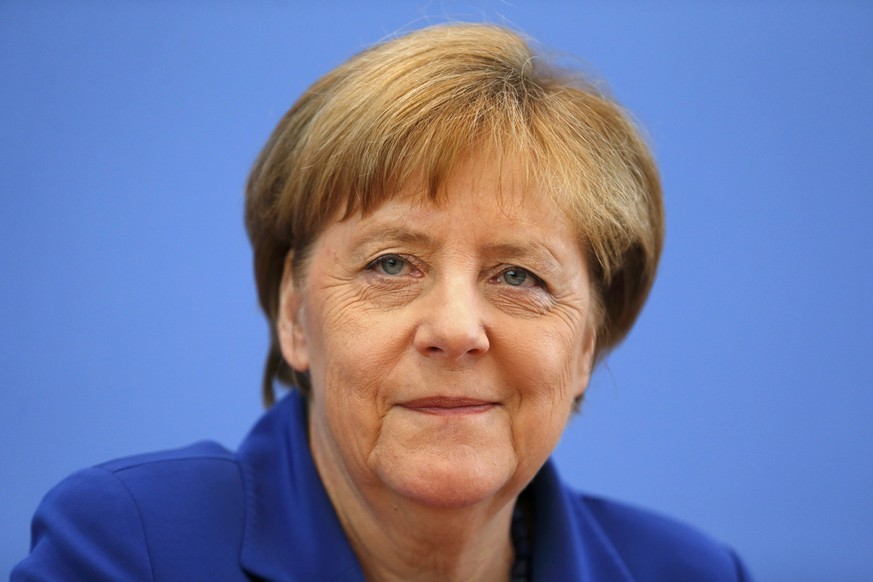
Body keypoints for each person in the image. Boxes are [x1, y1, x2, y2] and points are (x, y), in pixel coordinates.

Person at [13, 23, 751, 581]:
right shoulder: (130, 546)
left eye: (519, 276)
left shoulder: (694, 572)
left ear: (586, 342)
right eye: (391, 264)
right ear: (295, 317)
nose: (456, 329)